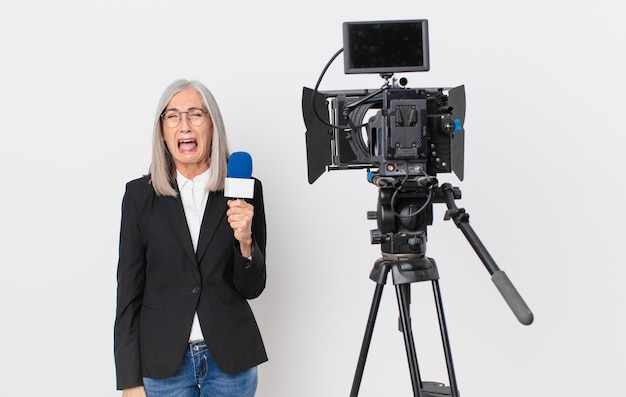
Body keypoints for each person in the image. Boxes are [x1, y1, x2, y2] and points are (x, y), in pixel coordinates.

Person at [114, 79, 268, 397]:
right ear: (162, 130)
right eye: (173, 116)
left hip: (230, 362)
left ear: (212, 125)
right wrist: (129, 379)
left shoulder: (244, 188)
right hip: (162, 365)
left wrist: (245, 242)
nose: (184, 124)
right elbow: (128, 294)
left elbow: (252, 288)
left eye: (195, 114)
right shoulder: (139, 196)